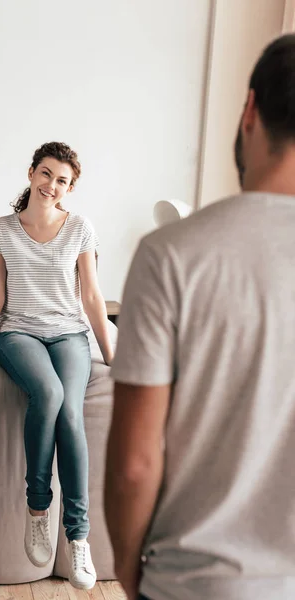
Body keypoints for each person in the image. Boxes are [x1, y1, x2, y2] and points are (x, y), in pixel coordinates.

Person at [105, 34, 295, 600]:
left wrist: (131, 572)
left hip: (192, 584)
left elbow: (135, 463)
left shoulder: (171, 256)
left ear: (250, 111)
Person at [0, 141, 114, 590]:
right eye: (47, 174)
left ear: (70, 188)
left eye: (62, 181)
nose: (52, 186)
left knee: (70, 414)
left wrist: (112, 357)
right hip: (20, 334)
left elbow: (92, 298)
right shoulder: (2, 229)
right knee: (49, 393)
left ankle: (77, 536)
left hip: (70, 334)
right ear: (32, 172)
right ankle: (38, 508)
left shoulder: (80, 229)